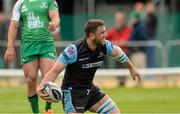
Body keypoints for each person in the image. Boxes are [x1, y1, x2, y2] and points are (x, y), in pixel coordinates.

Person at [37, 19, 141, 113]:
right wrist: (40, 87)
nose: (105, 35)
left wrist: (131, 68)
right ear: (92, 35)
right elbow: (54, 71)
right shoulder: (73, 50)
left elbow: (119, 53)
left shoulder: (104, 45)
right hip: (72, 93)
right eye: (102, 33)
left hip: (89, 89)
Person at [4, 0, 60, 114]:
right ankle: (35, 113)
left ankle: (48, 108)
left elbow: (55, 17)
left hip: (46, 44)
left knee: (48, 77)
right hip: (28, 45)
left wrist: (54, 23)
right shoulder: (20, 3)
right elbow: (13, 26)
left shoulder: (49, 1)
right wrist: (10, 46)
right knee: (31, 79)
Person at [106, 11, 132, 86]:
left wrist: (113, 43)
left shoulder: (127, 29)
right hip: (115, 53)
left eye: (120, 19)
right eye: (117, 19)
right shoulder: (113, 29)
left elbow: (124, 42)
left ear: (123, 19)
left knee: (123, 67)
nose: (118, 21)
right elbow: (104, 38)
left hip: (125, 53)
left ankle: (122, 82)